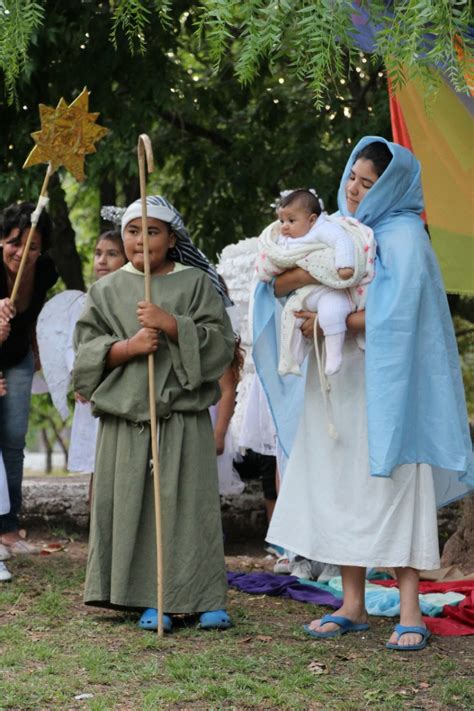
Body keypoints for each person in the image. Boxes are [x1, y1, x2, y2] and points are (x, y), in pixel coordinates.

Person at [258, 137, 472, 651]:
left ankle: (410, 609)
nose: (354, 189)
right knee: (343, 485)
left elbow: (399, 315)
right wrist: (316, 278)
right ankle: (351, 604)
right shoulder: (333, 228)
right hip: (338, 385)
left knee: (394, 486)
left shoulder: (405, 238)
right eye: (352, 176)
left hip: (390, 388)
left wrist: (333, 317)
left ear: (391, 187)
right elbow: (280, 280)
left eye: (368, 183)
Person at [73, 195, 235, 633]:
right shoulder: (105, 291)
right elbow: (85, 355)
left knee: (189, 508)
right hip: (128, 423)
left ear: (171, 237)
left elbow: (221, 344)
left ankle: (203, 597)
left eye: (152, 230)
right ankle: (150, 596)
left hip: (181, 420)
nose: (141, 240)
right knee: (136, 510)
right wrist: (128, 348)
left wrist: (170, 324)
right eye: (132, 230)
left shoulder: (195, 284)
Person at [255, 189, 375, 376]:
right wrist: (268, 267)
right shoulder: (287, 239)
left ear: (311, 220)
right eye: (282, 221)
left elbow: (341, 241)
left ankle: (334, 356)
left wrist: (344, 265)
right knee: (292, 317)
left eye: (291, 221)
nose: (285, 226)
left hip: (331, 291)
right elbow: (275, 272)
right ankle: (293, 359)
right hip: (306, 294)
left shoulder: (324, 229)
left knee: (331, 312)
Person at [0, 202, 58, 553]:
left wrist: (37, 350)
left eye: (32, 246)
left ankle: (8, 526)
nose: (22, 253)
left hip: (18, 357)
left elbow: (39, 311)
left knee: (13, 438)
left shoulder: (45, 270)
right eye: (13, 243)